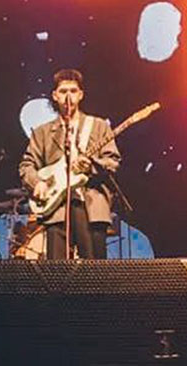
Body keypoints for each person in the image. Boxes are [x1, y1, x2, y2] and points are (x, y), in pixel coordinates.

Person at [19, 68, 121, 259]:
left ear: (81, 95)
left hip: (91, 205)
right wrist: (37, 183)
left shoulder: (99, 126)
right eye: (63, 91)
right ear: (55, 96)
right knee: (58, 271)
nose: (69, 96)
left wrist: (91, 166)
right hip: (56, 208)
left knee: (93, 270)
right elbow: (27, 165)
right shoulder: (42, 133)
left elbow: (112, 162)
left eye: (73, 91)